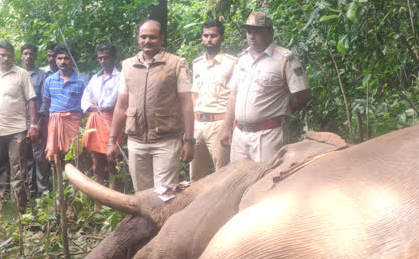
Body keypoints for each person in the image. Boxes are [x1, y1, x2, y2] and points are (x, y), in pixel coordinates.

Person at [107, 19, 194, 191]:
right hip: (136, 141)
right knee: (142, 195)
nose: (147, 41)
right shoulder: (128, 65)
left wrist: (189, 141)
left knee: (165, 196)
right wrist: (112, 141)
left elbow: (186, 104)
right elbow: (121, 105)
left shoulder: (176, 63)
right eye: (143, 37)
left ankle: (166, 220)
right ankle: (147, 220)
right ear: (138, 39)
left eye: (152, 37)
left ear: (162, 39)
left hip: (166, 141)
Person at [220, 12, 311, 162]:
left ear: (270, 32)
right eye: (249, 31)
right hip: (239, 135)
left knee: (266, 180)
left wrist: (282, 110)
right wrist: (226, 127)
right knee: (239, 181)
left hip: (268, 135)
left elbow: (303, 94)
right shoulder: (242, 59)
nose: (251, 36)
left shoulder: (285, 59)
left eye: (257, 31)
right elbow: (234, 95)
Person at [0, 41, 40, 203]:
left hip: (17, 130)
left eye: (9, 55)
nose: (6, 58)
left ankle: (18, 209)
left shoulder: (21, 74)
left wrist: (33, 125)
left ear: (14, 56)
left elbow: (31, 100)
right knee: (0, 170)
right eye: (2, 55)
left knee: (18, 169)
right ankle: (3, 208)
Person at [190, 20, 237, 181]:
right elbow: (194, 96)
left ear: (221, 37)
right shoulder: (197, 64)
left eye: (213, 36)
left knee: (222, 175)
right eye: (205, 35)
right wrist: (189, 128)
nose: (209, 39)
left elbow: (235, 96)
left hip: (220, 123)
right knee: (196, 177)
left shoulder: (232, 64)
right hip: (197, 124)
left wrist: (229, 126)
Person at [81, 43, 122, 187]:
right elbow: (84, 100)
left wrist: (99, 102)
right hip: (95, 122)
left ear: (114, 58)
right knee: (96, 161)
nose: (103, 61)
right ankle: (97, 202)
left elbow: (111, 102)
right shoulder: (94, 78)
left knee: (112, 160)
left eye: (106, 57)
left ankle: (113, 196)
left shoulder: (120, 77)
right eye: (100, 58)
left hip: (111, 121)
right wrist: (93, 104)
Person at [42, 45, 88, 162]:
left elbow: (86, 105)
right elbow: (47, 103)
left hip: (74, 122)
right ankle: (58, 180)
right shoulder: (49, 81)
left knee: (75, 155)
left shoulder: (82, 81)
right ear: (55, 60)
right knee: (55, 157)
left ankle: (73, 180)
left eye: (66, 58)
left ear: (72, 59)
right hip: (54, 122)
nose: (63, 62)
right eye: (60, 58)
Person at [21, 43, 51, 196]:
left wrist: (38, 124)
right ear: (21, 56)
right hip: (19, 123)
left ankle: (43, 191)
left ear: (35, 56)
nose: (28, 56)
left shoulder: (42, 76)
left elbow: (46, 101)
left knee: (39, 157)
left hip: (38, 122)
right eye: (25, 53)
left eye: (31, 53)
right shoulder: (18, 74)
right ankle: (29, 192)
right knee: (25, 158)